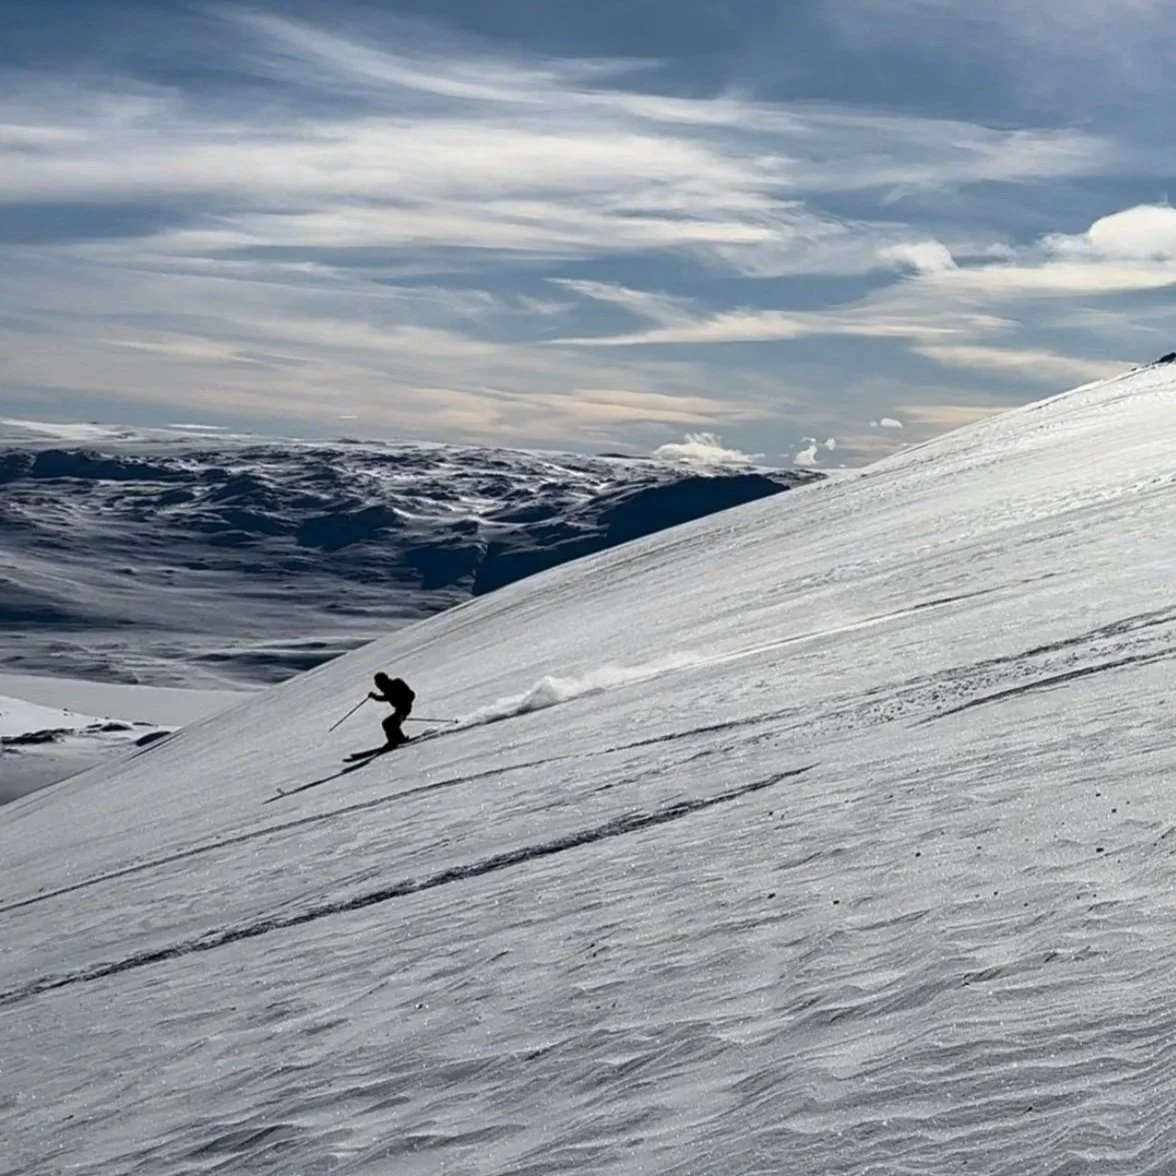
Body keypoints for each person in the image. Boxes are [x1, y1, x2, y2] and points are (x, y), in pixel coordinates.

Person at [369, 673, 415, 748]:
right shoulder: (390, 685)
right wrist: (375, 697)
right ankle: (397, 739)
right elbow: (388, 696)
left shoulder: (393, 685)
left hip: (404, 709)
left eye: (377, 683)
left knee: (388, 723)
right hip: (402, 709)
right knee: (390, 724)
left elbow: (387, 697)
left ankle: (397, 740)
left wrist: (375, 697)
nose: (378, 686)